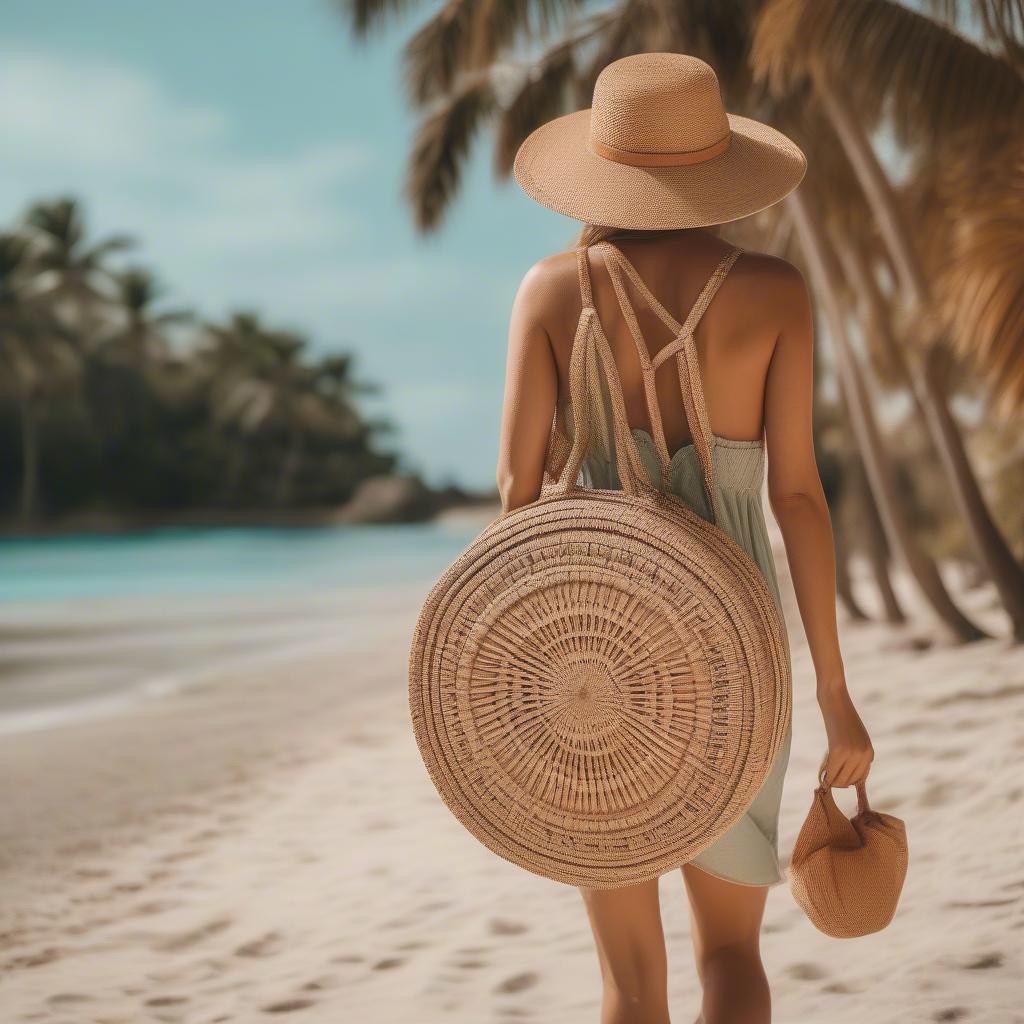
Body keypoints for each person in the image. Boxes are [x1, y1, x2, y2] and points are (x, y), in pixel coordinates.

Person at [496, 53, 874, 1024]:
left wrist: (520, 661)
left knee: (627, 984)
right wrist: (834, 695)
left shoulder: (547, 292)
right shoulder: (774, 291)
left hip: (595, 648)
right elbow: (797, 497)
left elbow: (517, 493)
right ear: (716, 167)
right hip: (737, 652)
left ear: (603, 167)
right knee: (733, 957)